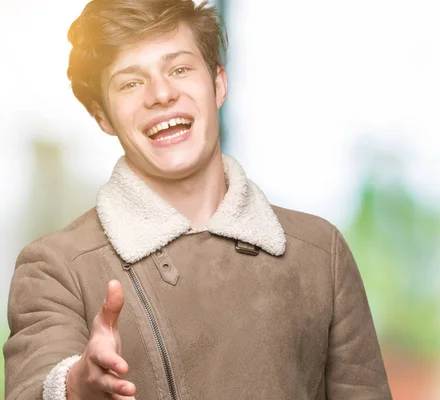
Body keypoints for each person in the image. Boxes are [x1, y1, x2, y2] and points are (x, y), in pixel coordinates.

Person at [3, 1, 392, 399]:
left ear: (218, 83)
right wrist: (77, 386)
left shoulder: (319, 254)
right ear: (103, 115)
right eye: (131, 83)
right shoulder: (56, 268)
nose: (161, 94)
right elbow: (33, 387)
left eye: (179, 69)